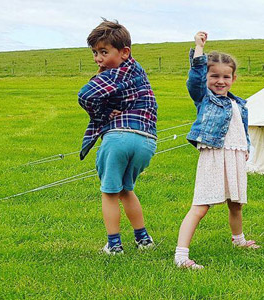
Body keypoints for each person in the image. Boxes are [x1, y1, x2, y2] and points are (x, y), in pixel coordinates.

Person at [174, 31, 258, 269]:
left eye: (226, 76)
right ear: (207, 77)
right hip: (214, 155)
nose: (220, 81)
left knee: (236, 204)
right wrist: (199, 49)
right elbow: (195, 79)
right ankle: (181, 255)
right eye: (214, 76)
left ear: (233, 78)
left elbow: (242, 129)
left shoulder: (238, 103)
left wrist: (246, 148)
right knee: (201, 206)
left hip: (235, 155)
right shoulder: (205, 98)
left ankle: (238, 239)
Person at [78, 19, 158, 255]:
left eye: (104, 52)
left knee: (110, 192)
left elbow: (85, 95)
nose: (98, 58)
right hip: (146, 141)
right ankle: (143, 239)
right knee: (126, 189)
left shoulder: (111, 76)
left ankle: (114, 245)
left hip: (118, 139)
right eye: (95, 52)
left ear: (124, 52)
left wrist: (102, 114)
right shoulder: (137, 69)